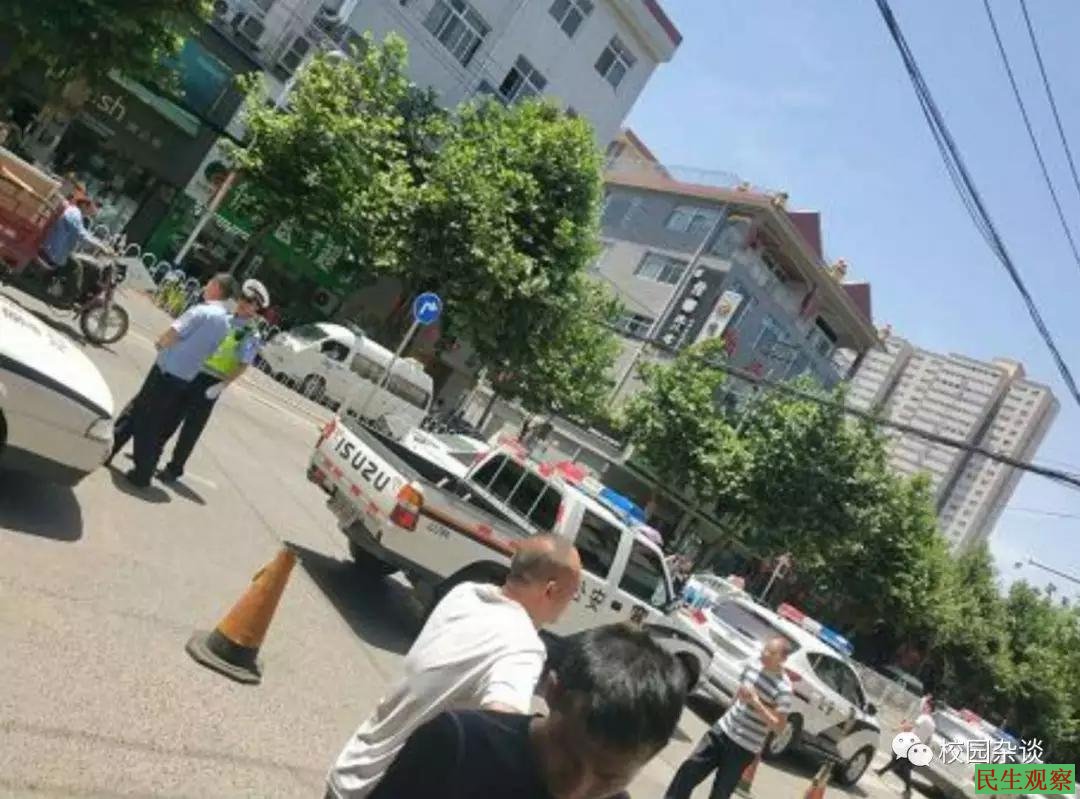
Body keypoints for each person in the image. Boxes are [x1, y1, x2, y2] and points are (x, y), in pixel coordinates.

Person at [326, 534, 583, 799]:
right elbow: (502, 737)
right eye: (573, 594)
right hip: (384, 786)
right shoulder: (523, 647)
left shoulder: (466, 593)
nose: (570, 604)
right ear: (551, 590)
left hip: (353, 765)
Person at [368, 623, 689, 799]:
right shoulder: (458, 745)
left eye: (609, 778)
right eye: (568, 754)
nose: (575, 790)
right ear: (553, 691)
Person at [107, 273, 237, 488]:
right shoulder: (225, 322)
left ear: (216, 287)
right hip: (183, 377)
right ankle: (109, 449)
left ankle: (143, 471)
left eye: (209, 283)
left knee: (147, 420)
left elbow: (173, 333)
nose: (205, 285)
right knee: (137, 409)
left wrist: (160, 343)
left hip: (166, 371)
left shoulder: (201, 311)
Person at [156, 279, 270, 482]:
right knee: (170, 415)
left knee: (191, 428)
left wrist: (222, 385)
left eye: (250, 302)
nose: (244, 303)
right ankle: (151, 453)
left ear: (256, 309)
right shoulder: (223, 317)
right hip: (193, 371)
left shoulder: (251, 334)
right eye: (243, 298)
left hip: (212, 382)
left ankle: (174, 468)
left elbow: (243, 365)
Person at [665, 636, 793, 799]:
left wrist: (756, 703)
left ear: (783, 659)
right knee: (687, 772)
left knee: (720, 793)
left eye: (771, 652)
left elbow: (779, 727)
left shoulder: (784, 689)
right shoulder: (753, 666)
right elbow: (739, 694)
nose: (764, 653)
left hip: (743, 748)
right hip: (722, 731)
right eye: (765, 649)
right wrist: (727, 714)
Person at [38, 192, 107, 305]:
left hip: (58, 248)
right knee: (76, 266)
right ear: (84, 205)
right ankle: (68, 298)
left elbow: (83, 233)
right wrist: (100, 246)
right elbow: (81, 235)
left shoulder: (77, 215)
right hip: (55, 249)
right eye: (93, 206)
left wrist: (100, 243)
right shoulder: (74, 213)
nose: (95, 210)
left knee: (81, 262)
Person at [876, 695, 935, 799]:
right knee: (898, 761)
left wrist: (897, 728)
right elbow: (929, 740)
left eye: (925, 706)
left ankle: (908, 789)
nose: (923, 707)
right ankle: (881, 772)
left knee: (902, 765)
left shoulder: (923, 718)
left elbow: (911, 726)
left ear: (929, 708)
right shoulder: (933, 724)